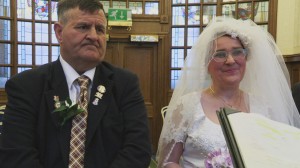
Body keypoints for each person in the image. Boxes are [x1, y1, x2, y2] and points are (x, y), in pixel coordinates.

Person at [0, 0, 152, 167]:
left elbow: (138, 149)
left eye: (100, 29)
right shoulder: (26, 86)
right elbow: (16, 153)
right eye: (83, 27)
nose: (94, 36)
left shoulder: (125, 84)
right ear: (59, 32)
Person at [156, 16, 300, 168]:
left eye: (237, 52)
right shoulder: (187, 106)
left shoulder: (264, 107)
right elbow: (168, 162)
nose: (230, 60)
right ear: (207, 63)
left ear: (246, 58)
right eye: (220, 54)